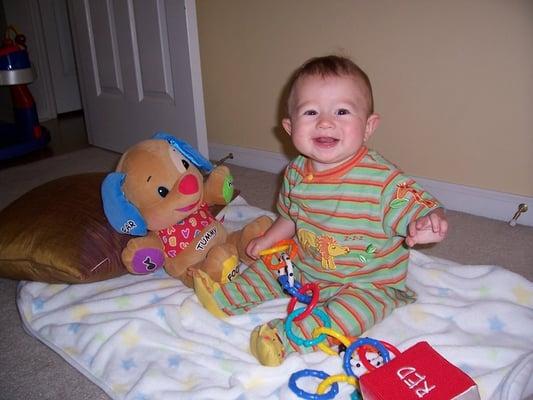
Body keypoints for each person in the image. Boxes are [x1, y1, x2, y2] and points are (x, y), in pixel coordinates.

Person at [193, 55, 448, 366]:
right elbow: (290, 217)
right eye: (311, 112)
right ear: (290, 127)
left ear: (368, 127)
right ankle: (229, 297)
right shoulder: (296, 173)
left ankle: (286, 340)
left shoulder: (381, 181)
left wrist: (424, 221)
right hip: (309, 262)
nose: (326, 122)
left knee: (349, 315)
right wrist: (269, 239)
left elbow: (413, 204)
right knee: (274, 265)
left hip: (368, 283)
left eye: (342, 111)